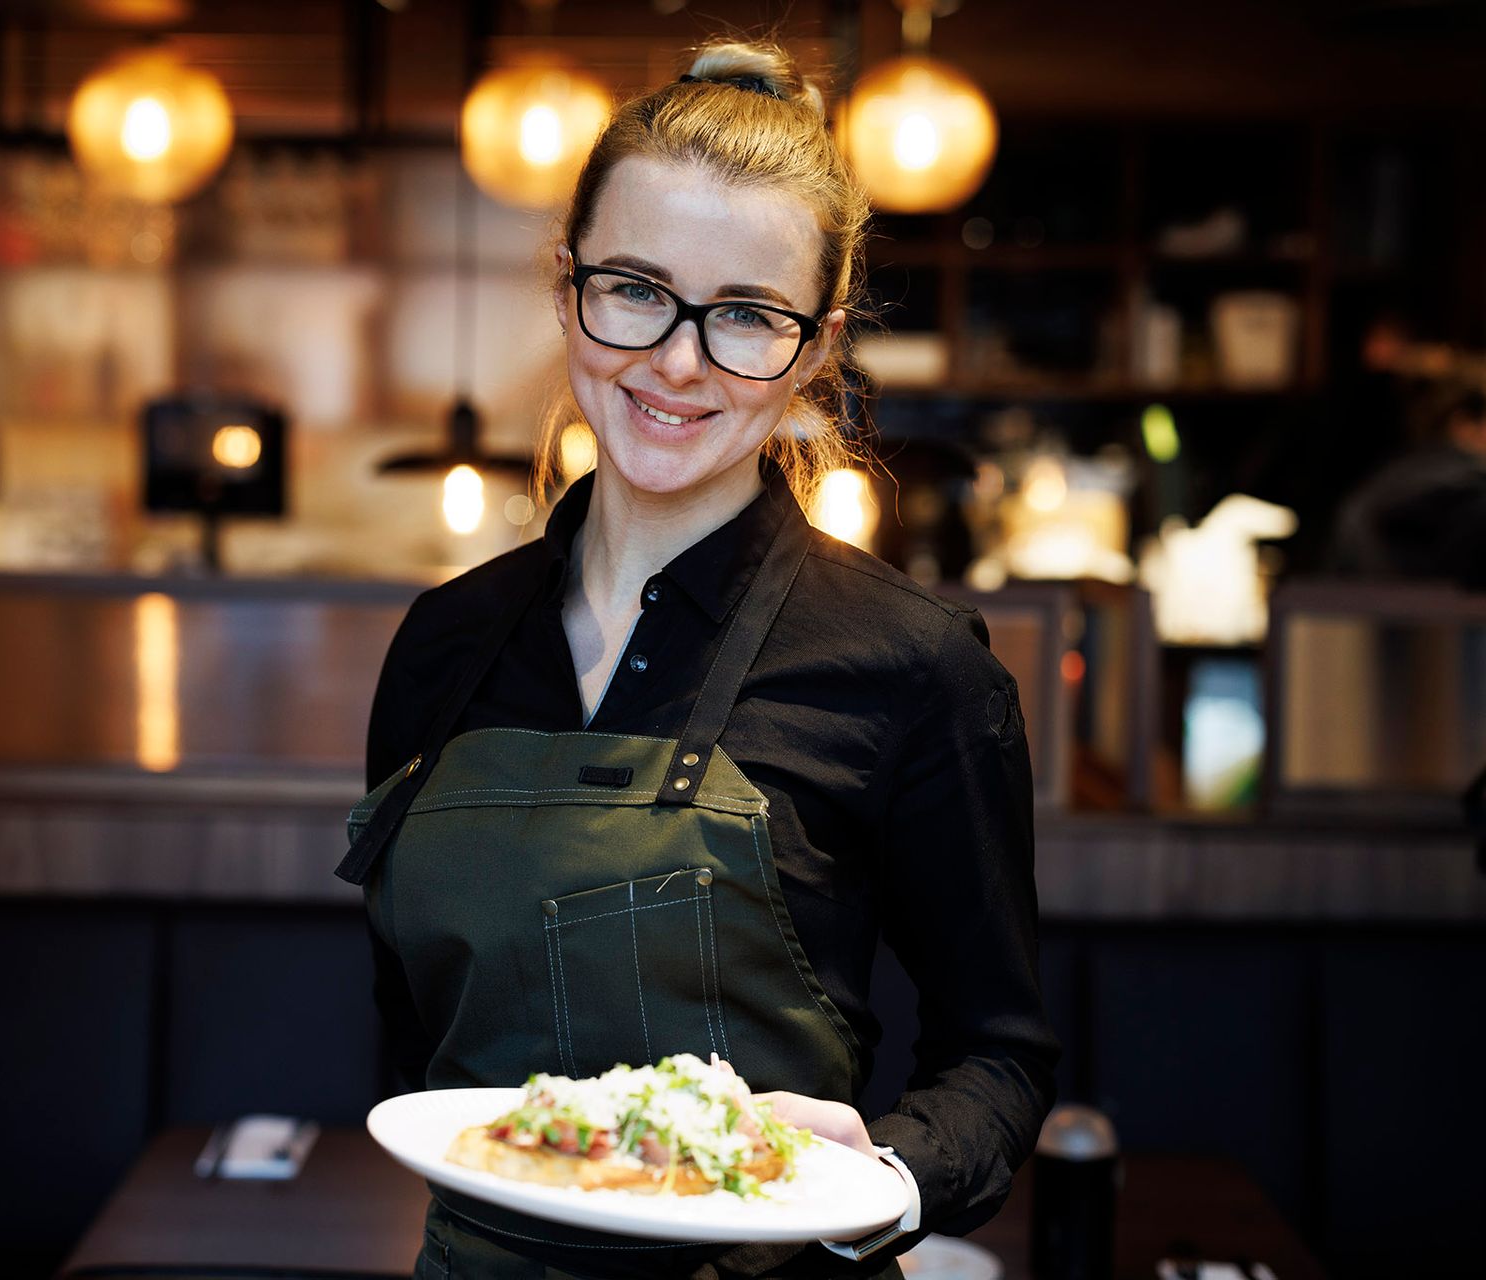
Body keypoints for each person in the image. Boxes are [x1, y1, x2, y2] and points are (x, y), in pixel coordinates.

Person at [339, 40, 1058, 1279]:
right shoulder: (442, 646)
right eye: (636, 288)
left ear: (818, 343)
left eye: (745, 316)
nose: (678, 361)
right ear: (568, 284)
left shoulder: (914, 667)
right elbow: (413, 1038)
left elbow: (1001, 1056)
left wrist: (881, 1178)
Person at [1329, 386, 1486, 589]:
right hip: (1407, 606)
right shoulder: (1457, 478)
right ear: (1463, 425)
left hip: (1363, 600)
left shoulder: (1400, 471)